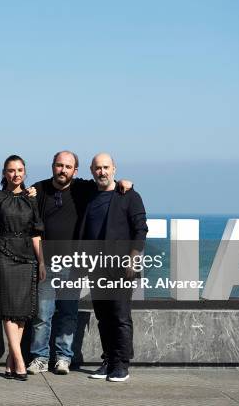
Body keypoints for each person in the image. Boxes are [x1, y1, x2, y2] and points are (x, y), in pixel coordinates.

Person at [27, 151, 133, 375]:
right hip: (46, 263)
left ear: (75, 170)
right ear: (52, 166)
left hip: (73, 263)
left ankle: (63, 358)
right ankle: (40, 358)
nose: (62, 170)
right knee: (42, 315)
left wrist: (126, 182)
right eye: (59, 165)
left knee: (68, 313)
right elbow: (18, 200)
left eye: (68, 166)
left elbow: (107, 183)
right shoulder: (40, 188)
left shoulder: (83, 188)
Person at [80, 152, 147, 382]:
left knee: (120, 315)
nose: (102, 172)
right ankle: (108, 361)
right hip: (96, 266)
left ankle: (122, 364)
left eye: (106, 167)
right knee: (103, 317)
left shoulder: (129, 195)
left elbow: (141, 229)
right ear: (91, 170)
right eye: (98, 168)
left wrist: (133, 257)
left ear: (114, 169)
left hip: (121, 266)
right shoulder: (89, 194)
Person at [0, 155, 45, 381]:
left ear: (25, 173)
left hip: (28, 256)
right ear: (4, 173)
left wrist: (42, 262)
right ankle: (19, 361)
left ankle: (10, 361)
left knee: (22, 311)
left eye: (19, 170)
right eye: (11, 170)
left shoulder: (32, 199)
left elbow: (37, 232)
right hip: (4, 255)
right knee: (8, 309)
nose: (15, 174)